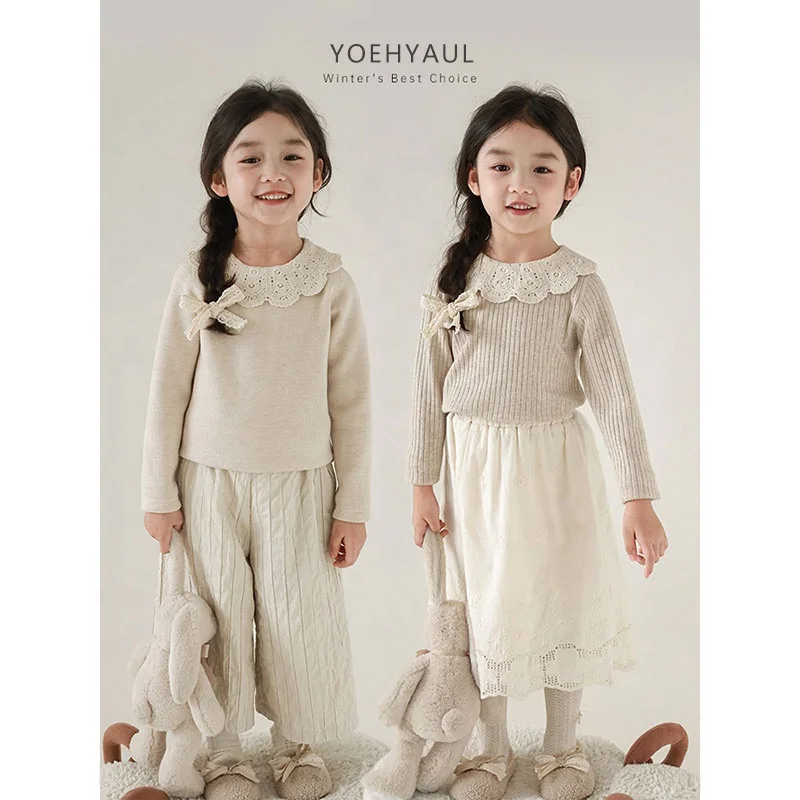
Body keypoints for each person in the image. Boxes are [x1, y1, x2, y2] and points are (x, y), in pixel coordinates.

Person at [406, 84, 668, 800]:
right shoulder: (450, 281)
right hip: (472, 472)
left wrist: (639, 497)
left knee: (559, 596)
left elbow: (615, 393)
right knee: (483, 605)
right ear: (474, 177)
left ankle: (560, 748)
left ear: (571, 183)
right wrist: (421, 483)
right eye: (501, 166)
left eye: (542, 168)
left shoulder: (578, 283)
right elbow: (427, 389)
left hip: (556, 468)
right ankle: (489, 750)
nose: (520, 185)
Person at [141, 79, 370, 800]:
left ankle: (299, 746)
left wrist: (352, 506)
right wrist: (157, 492)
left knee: (300, 618)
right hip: (207, 483)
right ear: (219, 178)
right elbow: (166, 392)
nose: (273, 173)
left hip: (303, 484)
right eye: (250, 158)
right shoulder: (198, 277)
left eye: (292, 156)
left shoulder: (330, 282)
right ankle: (226, 753)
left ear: (318, 173)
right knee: (220, 620)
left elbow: (352, 403)